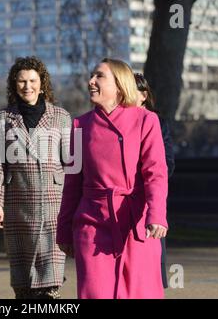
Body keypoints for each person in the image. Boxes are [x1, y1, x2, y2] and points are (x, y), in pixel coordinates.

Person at [56, 58, 168, 299]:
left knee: (141, 293)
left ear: (119, 84)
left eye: (99, 76)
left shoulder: (146, 120)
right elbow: (71, 185)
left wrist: (156, 214)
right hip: (92, 225)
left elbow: (156, 172)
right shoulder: (79, 126)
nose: (91, 81)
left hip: (137, 226)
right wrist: (64, 230)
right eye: (92, 76)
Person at [0, 56, 71, 299]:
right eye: (21, 81)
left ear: (42, 83)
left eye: (32, 80)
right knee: (23, 281)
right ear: (14, 85)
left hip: (53, 203)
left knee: (50, 280)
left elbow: (71, 163)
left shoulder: (61, 116)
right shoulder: (5, 117)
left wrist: (72, 203)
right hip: (18, 204)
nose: (27, 86)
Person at [135, 72, 175, 289]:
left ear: (143, 95)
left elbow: (167, 164)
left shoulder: (157, 122)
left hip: (148, 200)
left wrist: (149, 182)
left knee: (152, 273)